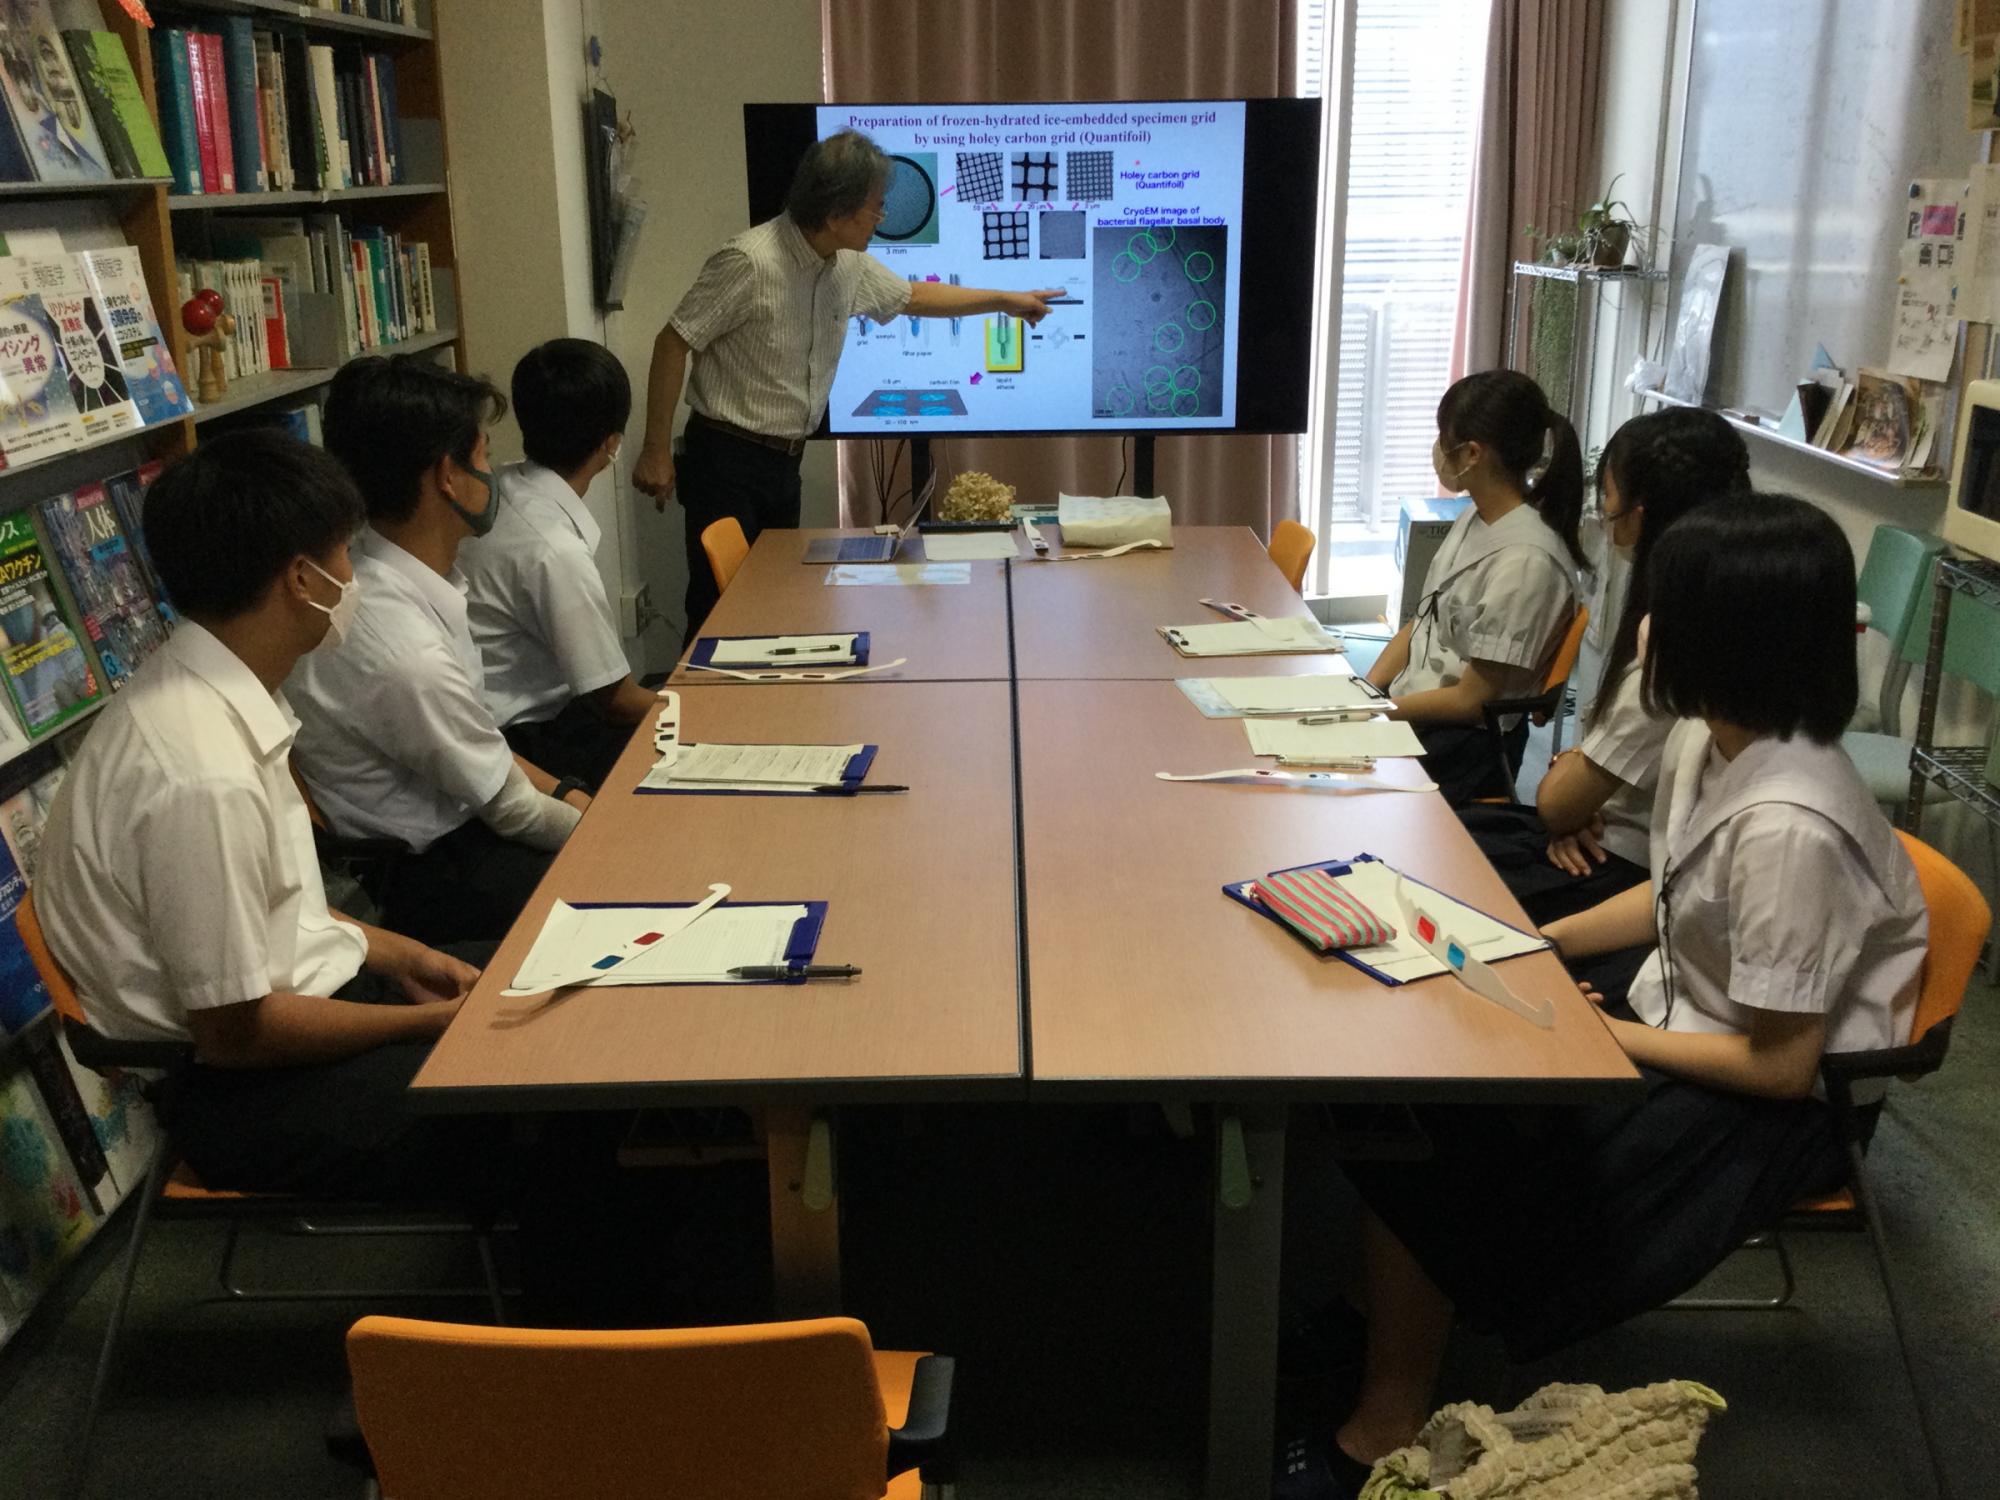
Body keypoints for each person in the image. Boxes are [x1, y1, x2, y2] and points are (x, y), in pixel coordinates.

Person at [1285, 496, 1928, 1499]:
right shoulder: (1712, 741)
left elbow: (1780, 1066)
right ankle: (1374, 1325)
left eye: (1667, 607)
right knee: (1430, 1074)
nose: (1644, 624)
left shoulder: (1791, 824)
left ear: (1720, 639)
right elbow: (1673, 895)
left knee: (1438, 1137)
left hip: (1770, 1107)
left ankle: (1384, 1423)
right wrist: (1536, 943)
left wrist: (1607, 1034)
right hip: (1690, 1020)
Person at [33, 430, 516, 1208]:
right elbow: (237, 1034)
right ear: (301, 578)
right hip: (253, 1093)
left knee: (542, 984)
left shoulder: (210, 683)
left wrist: (408, 956)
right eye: (345, 553)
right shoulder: (200, 773)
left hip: (303, 1016)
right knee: (540, 1093)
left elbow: (277, 913)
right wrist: (421, 1025)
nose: (353, 576)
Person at [632, 129, 1063, 630]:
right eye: (875, 208)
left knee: (773, 604)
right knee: (718, 609)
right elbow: (674, 341)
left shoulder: (846, 265)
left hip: (783, 461)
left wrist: (1007, 301)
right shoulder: (749, 261)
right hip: (725, 459)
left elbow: (914, 297)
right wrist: (656, 450)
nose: (882, 219)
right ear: (836, 213)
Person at [288, 356, 588, 947]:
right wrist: (610, 830)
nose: (492, 475)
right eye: (484, 457)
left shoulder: (388, 572)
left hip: (468, 814)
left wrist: (585, 803)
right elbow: (513, 809)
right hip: (433, 874)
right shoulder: (402, 649)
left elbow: (487, 753)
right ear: (448, 476)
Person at [1460, 407, 1751, 923]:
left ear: (1640, 515)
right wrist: (1573, 788)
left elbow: (1559, 805)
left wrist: (1570, 797)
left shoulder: (1675, 656)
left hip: (1622, 865)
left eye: (1609, 499)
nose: (1604, 515)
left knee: (1449, 866)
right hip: (1609, 838)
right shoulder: (1720, 609)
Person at [1364, 371, 1585, 805]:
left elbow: (1471, 701)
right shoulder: (1476, 516)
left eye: (1443, 438)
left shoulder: (1526, 561)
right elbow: (1422, 622)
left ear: (1471, 453)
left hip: (1464, 745)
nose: (1438, 449)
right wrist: (1365, 692)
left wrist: (1376, 713)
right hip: (1418, 712)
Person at [461, 338, 655, 791]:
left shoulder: (503, 485)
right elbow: (616, 701)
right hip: (530, 740)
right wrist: (704, 709)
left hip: (498, 728)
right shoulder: (553, 548)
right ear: (611, 444)